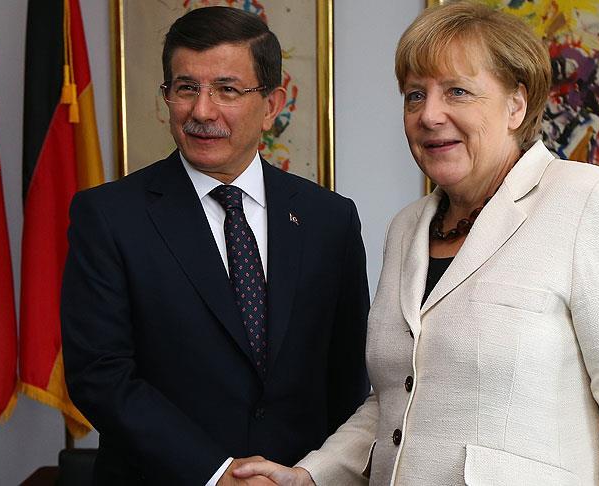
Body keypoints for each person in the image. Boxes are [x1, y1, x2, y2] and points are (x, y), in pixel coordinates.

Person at [233, 2, 599, 485]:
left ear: (516, 105)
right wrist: (310, 475)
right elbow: (396, 401)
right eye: (414, 96)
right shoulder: (407, 228)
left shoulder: (590, 202)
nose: (429, 115)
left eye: (457, 92)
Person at [60, 7, 370, 485]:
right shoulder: (108, 216)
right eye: (186, 88)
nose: (202, 111)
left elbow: (348, 380)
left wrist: (313, 474)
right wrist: (217, 474)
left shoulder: (330, 219)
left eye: (227, 89)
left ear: (271, 105)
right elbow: (100, 375)